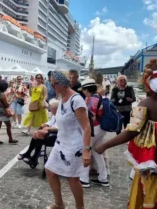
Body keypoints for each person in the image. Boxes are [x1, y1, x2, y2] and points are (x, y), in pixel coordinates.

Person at [95, 59, 157, 209]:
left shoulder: (147, 104)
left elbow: (131, 132)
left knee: (149, 191)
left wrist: (104, 146)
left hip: (150, 158)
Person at [44, 70, 91, 209]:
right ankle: (59, 203)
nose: (53, 87)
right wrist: (45, 130)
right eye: (51, 84)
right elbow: (61, 122)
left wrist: (86, 150)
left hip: (74, 145)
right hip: (61, 142)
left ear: (64, 83)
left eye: (55, 84)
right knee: (50, 171)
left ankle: (80, 207)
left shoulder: (76, 100)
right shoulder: (61, 99)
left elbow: (87, 127)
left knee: (72, 178)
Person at [78, 78, 109, 188]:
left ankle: (84, 179)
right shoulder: (98, 96)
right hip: (100, 128)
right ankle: (103, 178)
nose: (82, 92)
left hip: (93, 128)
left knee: (86, 151)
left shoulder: (93, 99)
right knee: (97, 153)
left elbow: (91, 116)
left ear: (87, 89)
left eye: (83, 90)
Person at [18, 99, 59, 165]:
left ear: (56, 108)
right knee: (36, 133)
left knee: (39, 133)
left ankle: (34, 158)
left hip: (57, 135)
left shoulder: (60, 115)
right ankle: (29, 153)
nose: (50, 109)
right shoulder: (54, 115)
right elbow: (51, 122)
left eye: (51, 108)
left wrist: (48, 128)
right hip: (52, 132)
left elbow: (58, 127)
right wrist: (46, 124)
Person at [0, 80, 18, 145]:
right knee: (8, 125)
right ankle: (10, 139)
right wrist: (11, 100)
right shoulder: (2, 94)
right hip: (3, 111)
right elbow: (6, 105)